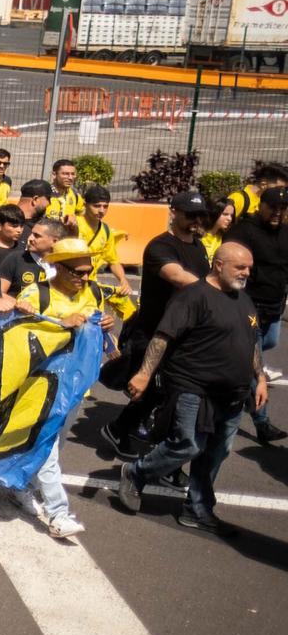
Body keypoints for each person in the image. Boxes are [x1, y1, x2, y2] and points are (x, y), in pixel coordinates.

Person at [120, 242, 265, 535]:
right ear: (219, 264)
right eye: (241, 267)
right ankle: (135, 473)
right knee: (187, 444)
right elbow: (163, 337)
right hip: (193, 387)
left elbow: (252, 342)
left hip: (234, 394)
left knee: (216, 452)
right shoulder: (194, 296)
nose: (247, 273)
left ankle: (197, 508)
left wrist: (259, 378)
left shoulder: (244, 300)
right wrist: (144, 374)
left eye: (249, 267)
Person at [7, 238, 111, 540]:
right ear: (57, 268)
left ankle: (20, 487)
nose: (84, 278)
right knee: (48, 447)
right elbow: (15, 334)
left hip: (76, 387)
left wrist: (106, 323)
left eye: (88, 271)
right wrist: (57, 322)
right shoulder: (35, 293)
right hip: (39, 386)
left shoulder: (93, 291)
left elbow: (97, 330)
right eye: (77, 272)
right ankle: (58, 514)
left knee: (55, 446)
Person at [107, 192, 215, 458]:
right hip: (154, 331)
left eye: (200, 216)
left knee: (166, 391)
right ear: (174, 212)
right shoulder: (160, 247)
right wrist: (218, 292)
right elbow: (178, 277)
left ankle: (142, 429)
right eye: (190, 215)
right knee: (151, 389)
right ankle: (118, 429)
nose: (195, 221)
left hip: (185, 333)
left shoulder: (199, 247)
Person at [223, 185, 288, 445]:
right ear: (261, 206)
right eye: (273, 207)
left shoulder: (286, 232)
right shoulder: (245, 231)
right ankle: (263, 424)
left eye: (282, 209)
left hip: (274, 306)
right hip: (249, 306)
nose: (277, 212)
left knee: (270, 342)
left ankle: (246, 390)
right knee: (256, 362)